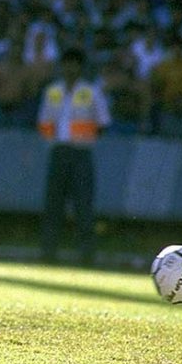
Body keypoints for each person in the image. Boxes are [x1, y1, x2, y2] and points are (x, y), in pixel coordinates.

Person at [37, 47, 111, 264]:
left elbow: (103, 122)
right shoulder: (53, 91)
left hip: (81, 153)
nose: (70, 68)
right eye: (67, 63)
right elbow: (44, 121)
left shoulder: (91, 91)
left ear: (80, 67)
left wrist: (82, 137)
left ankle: (86, 255)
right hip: (59, 151)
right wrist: (55, 139)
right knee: (53, 205)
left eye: (74, 63)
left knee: (83, 205)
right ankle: (48, 252)